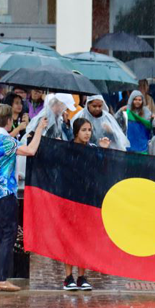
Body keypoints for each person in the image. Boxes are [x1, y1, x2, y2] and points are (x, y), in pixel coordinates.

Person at [0, 103, 47, 292]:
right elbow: (31, 150)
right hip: (5, 193)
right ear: (9, 121)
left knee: (1, 235)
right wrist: (39, 129)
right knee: (8, 234)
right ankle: (1, 279)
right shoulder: (7, 141)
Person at [63, 118, 110, 291]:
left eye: (89, 130)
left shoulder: (93, 149)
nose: (87, 133)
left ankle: (82, 276)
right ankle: (68, 277)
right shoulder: (66, 148)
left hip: (87, 200)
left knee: (84, 237)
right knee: (70, 237)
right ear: (76, 132)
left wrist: (103, 151)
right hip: (69, 198)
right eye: (84, 130)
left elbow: (102, 169)